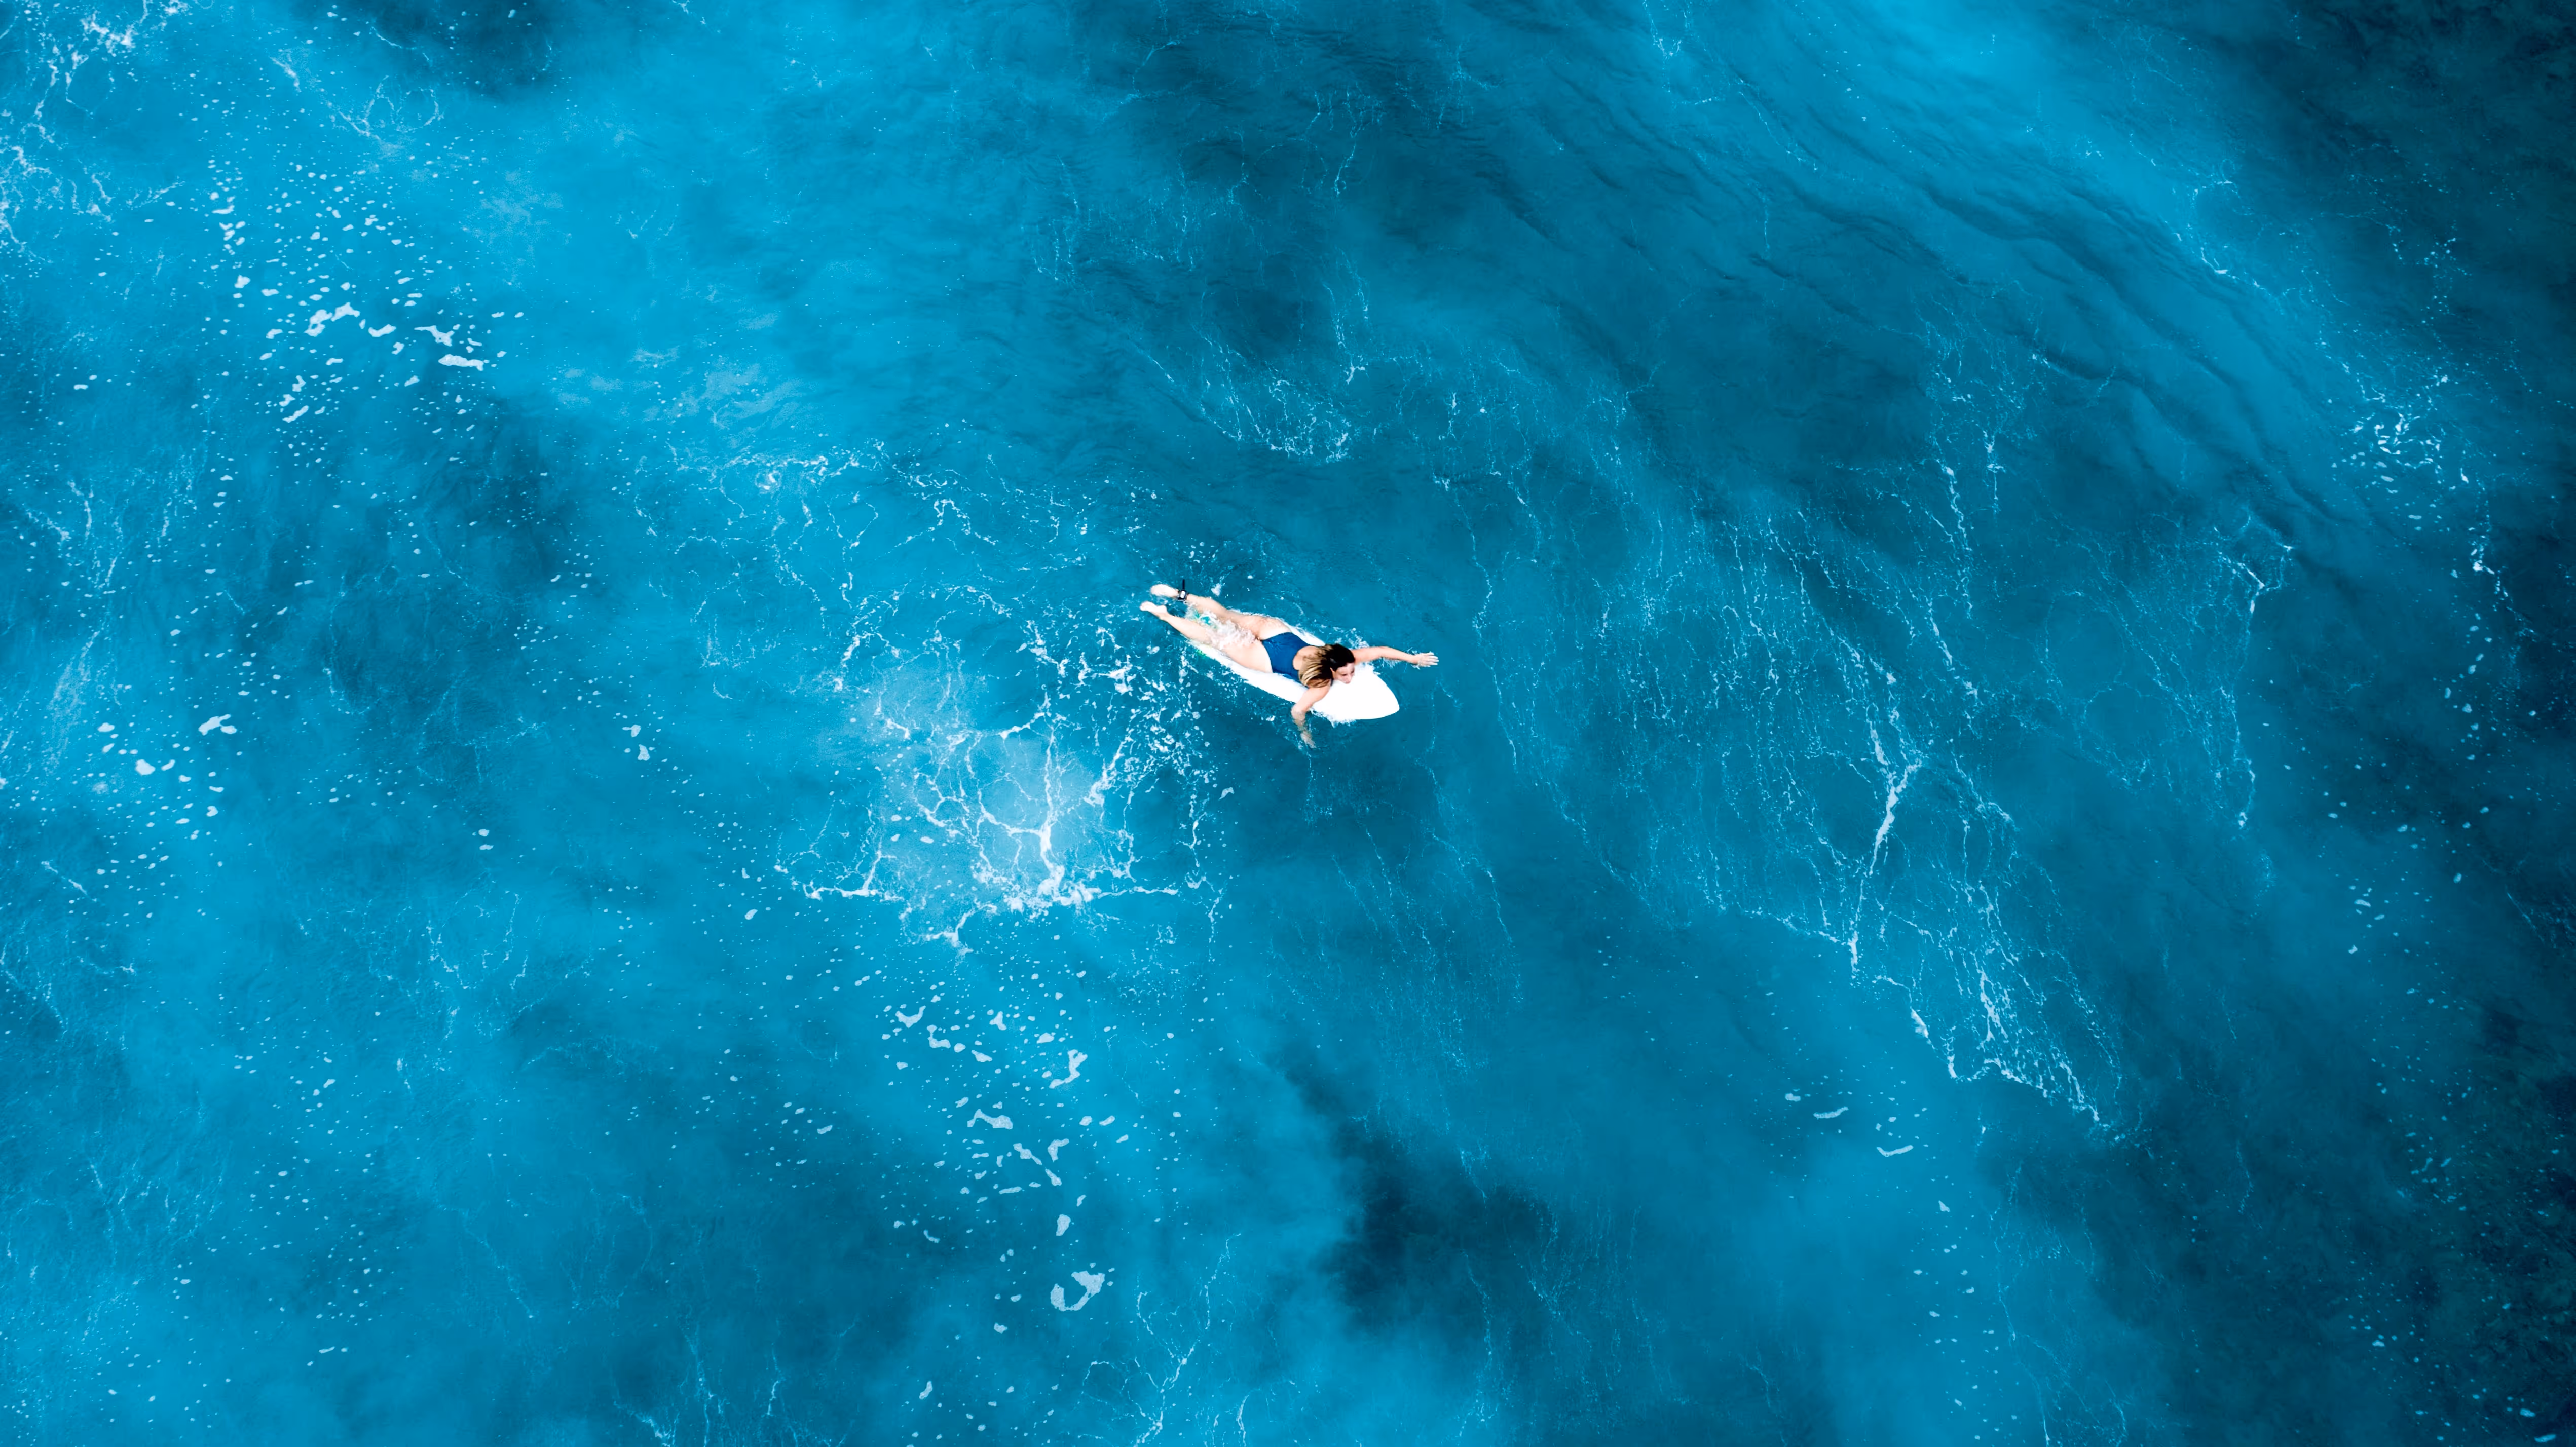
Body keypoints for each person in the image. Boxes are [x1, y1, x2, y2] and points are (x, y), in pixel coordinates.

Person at [1139, 583, 1437, 743]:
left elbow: (1382, 651)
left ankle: (1179, 594)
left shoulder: (1343, 655)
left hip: (1277, 632)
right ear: (1332, 669)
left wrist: (1413, 659)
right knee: (1212, 638)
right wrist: (1304, 732)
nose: (1350, 677)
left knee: (1227, 616)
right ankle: (1163, 614)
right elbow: (1298, 709)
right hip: (1266, 658)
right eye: (1345, 675)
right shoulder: (1321, 684)